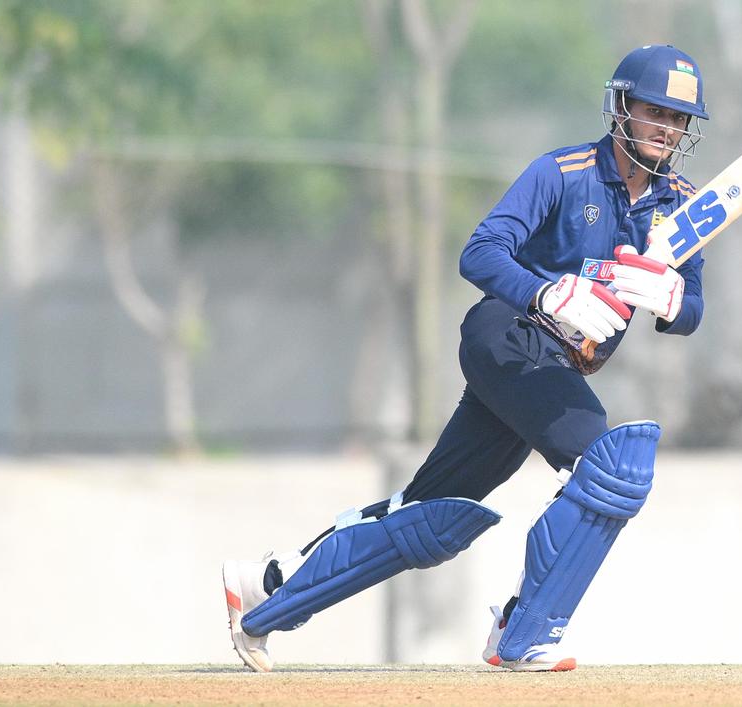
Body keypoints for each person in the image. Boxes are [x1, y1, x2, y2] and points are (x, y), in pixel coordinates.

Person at [223, 44, 709, 672]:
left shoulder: (682, 205)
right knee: (610, 468)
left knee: (430, 518)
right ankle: (524, 632)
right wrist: (545, 291)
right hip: (507, 336)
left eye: (678, 118)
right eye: (654, 112)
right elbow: (479, 252)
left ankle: (266, 587)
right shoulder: (562, 172)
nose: (666, 129)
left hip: (553, 367)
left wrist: (673, 300)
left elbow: (693, 307)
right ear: (621, 108)